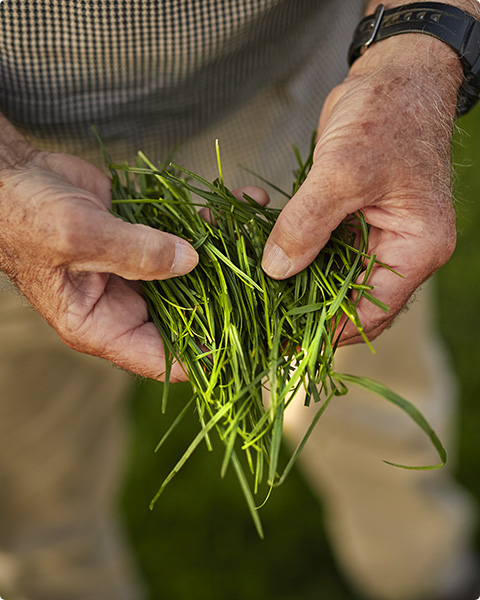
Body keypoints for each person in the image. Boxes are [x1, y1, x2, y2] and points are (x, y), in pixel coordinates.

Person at [0, 1, 478, 598]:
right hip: (16, 182)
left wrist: (417, 52)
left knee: (374, 408)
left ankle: (429, 578)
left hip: (314, 119)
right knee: (35, 488)